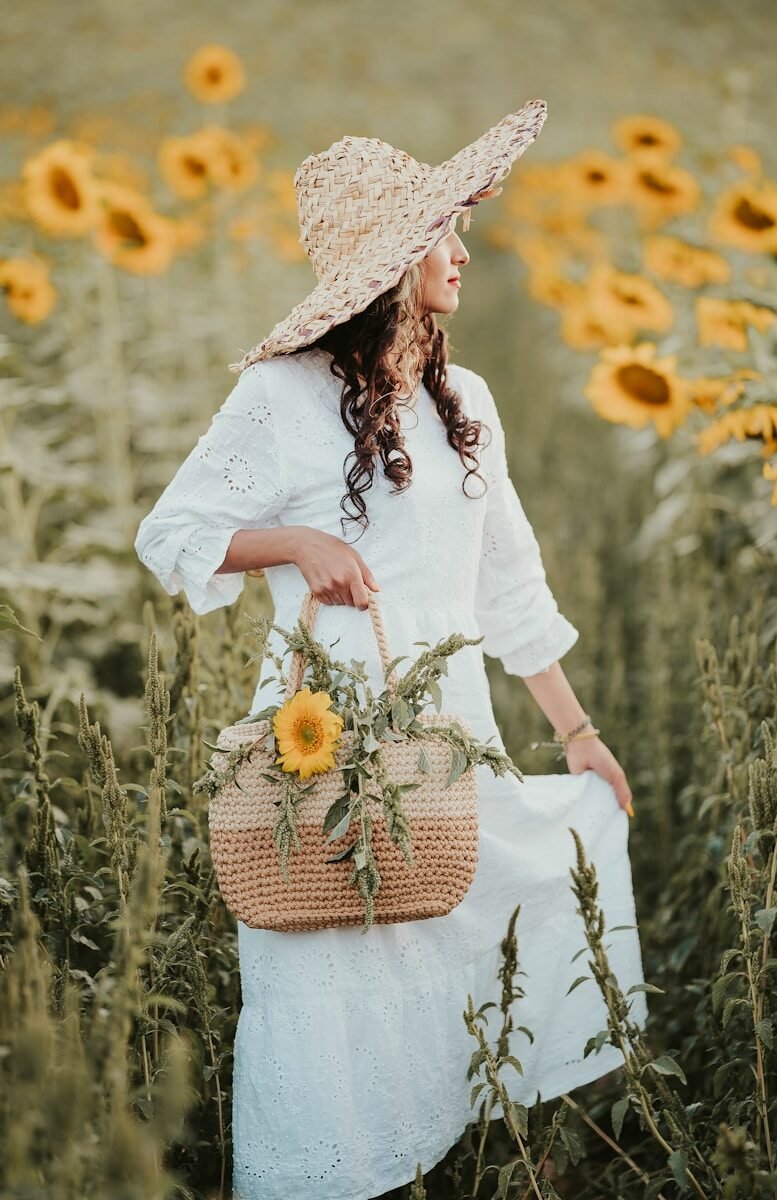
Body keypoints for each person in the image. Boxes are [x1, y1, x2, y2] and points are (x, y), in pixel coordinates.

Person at [134, 98, 648, 1200]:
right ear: (388, 263)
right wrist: (292, 542)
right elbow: (168, 536)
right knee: (322, 988)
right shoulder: (280, 396)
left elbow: (510, 584)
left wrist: (576, 731)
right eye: (438, 234)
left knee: (457, 964)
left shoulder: (467, 402)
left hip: (444, 746)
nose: (458, 252)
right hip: (318, 756)